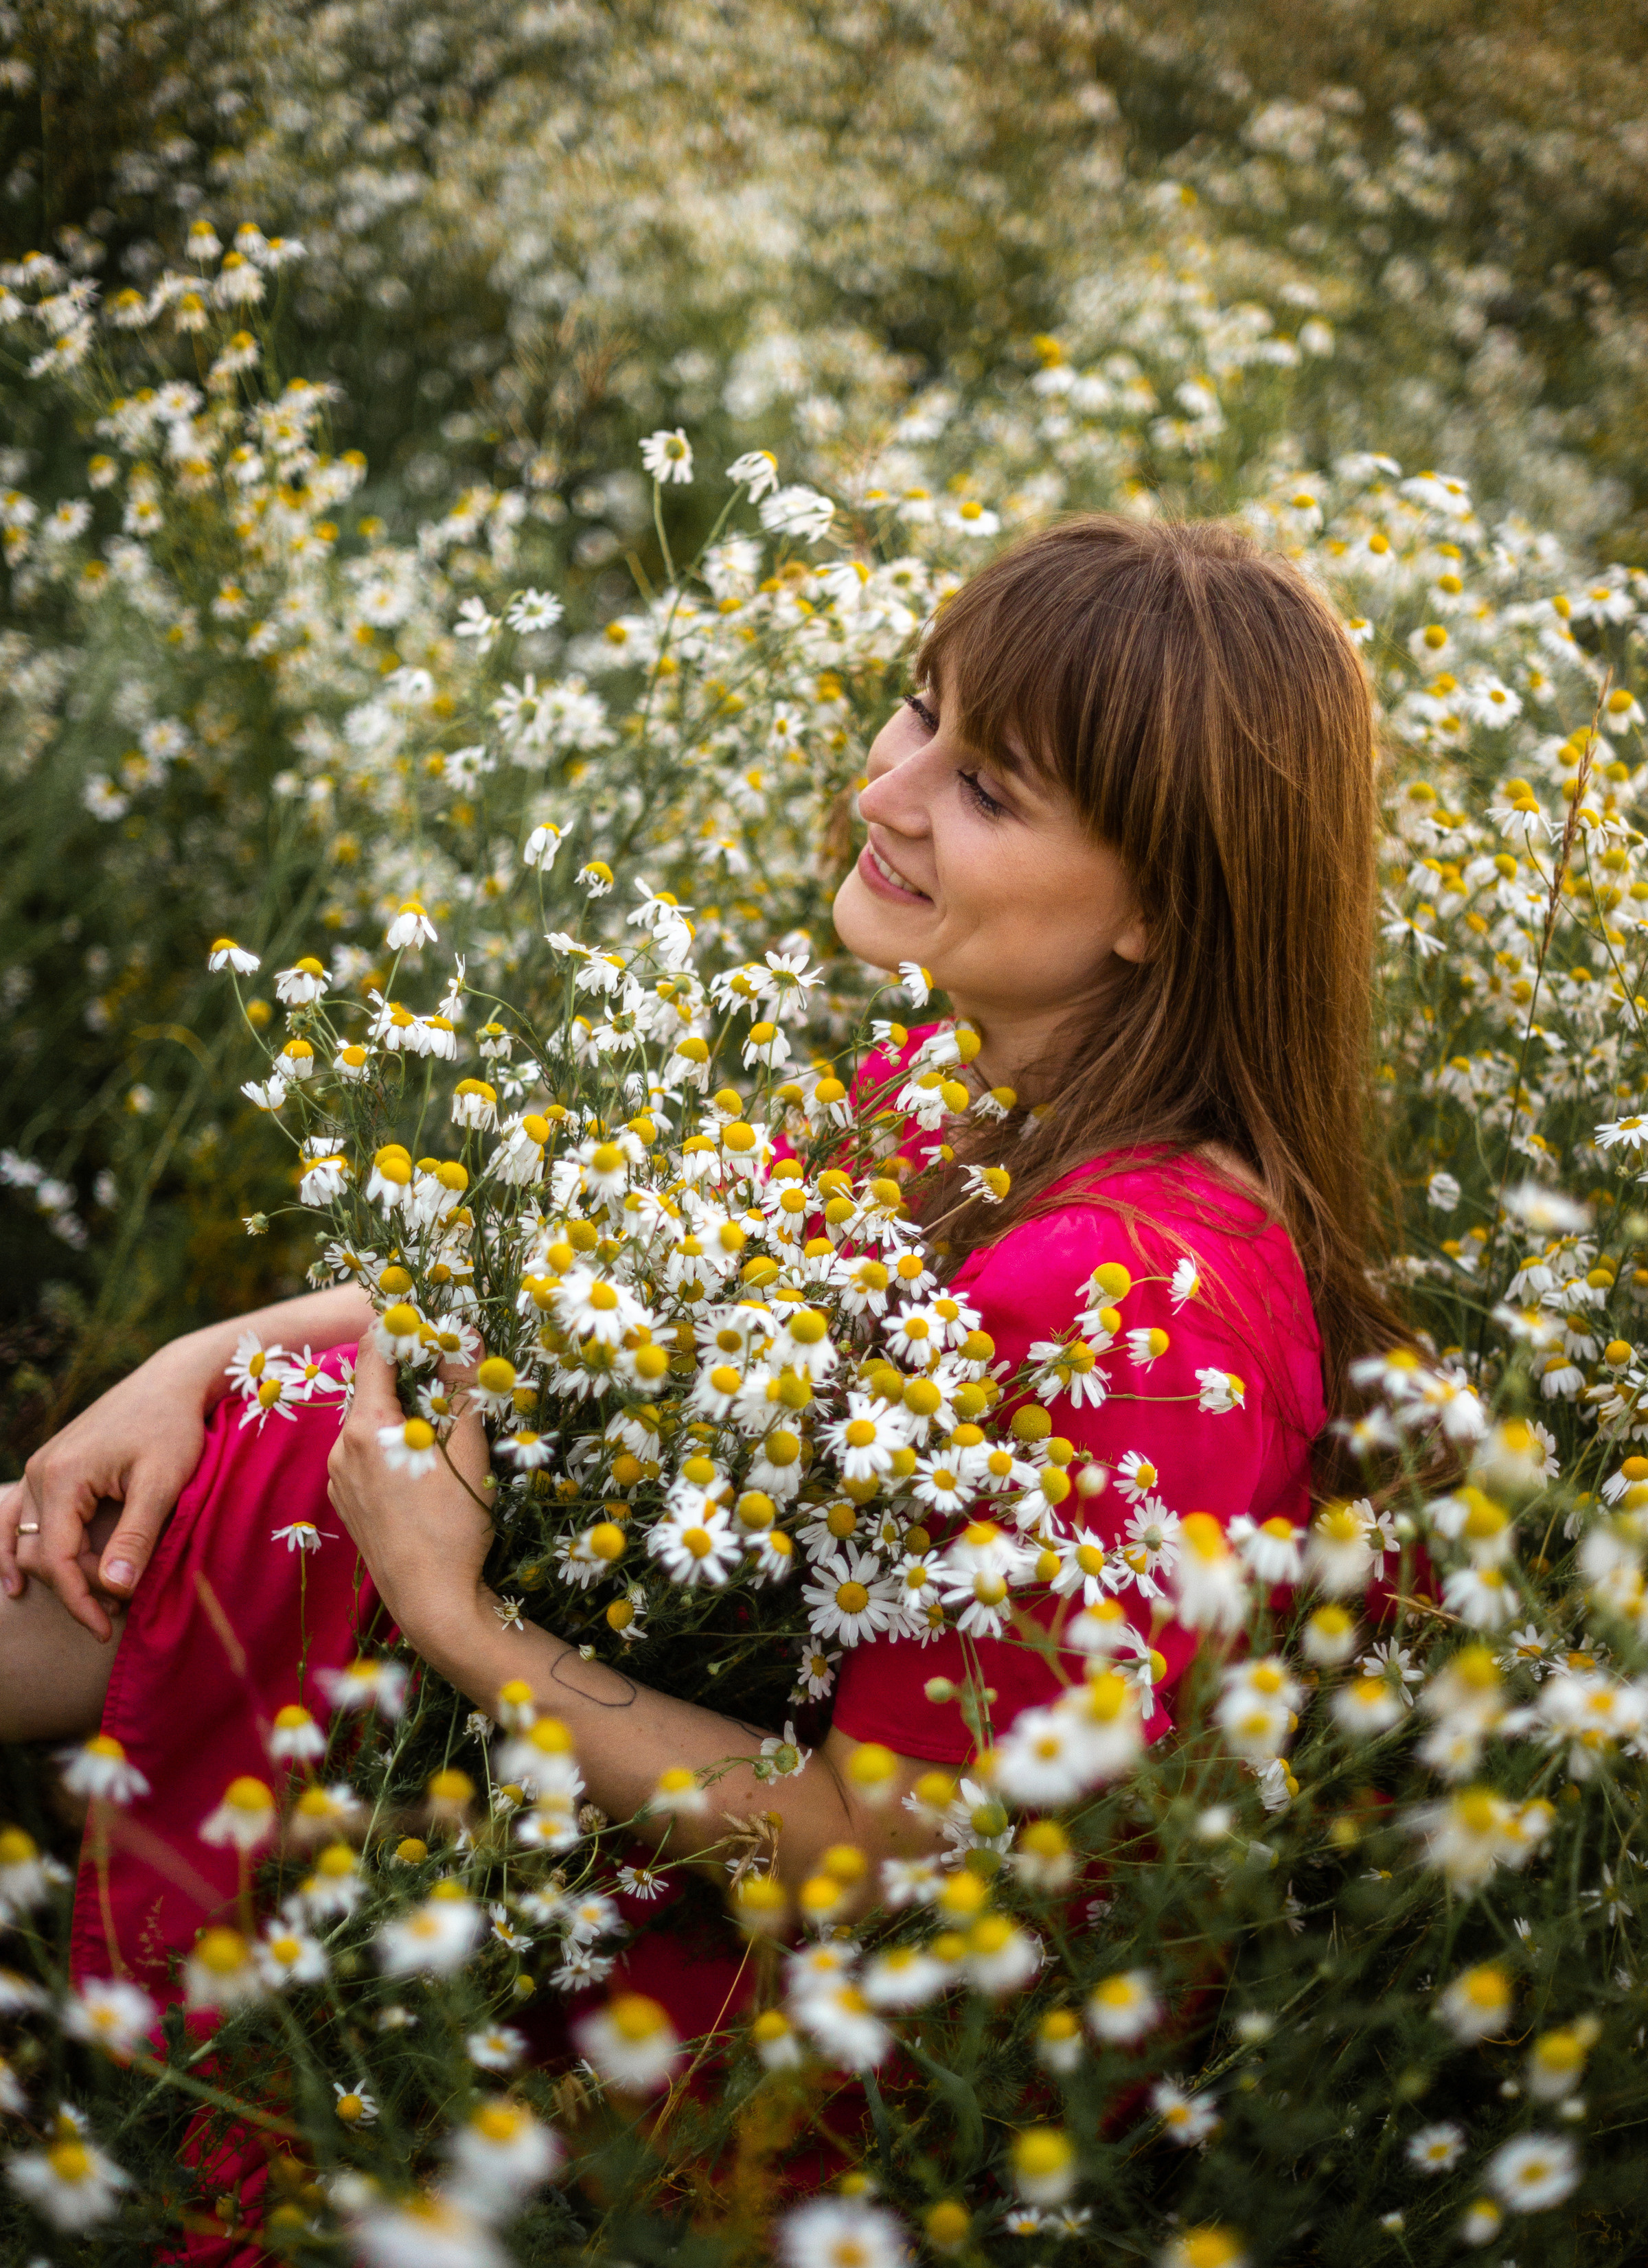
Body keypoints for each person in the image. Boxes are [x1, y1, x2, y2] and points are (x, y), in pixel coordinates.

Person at [0, 513, 1408, 2035]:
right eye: (925, 709)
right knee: (310, 1407)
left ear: (1162, 909)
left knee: (316, 1449)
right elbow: (628, 1298)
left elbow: (906, 1860)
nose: (887, 789)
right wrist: (196, 1359)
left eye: (987, 788)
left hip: (795, 2063)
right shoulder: (960, 1102)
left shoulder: (1126, 1303)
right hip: (652, 1792)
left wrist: (457, 1619)